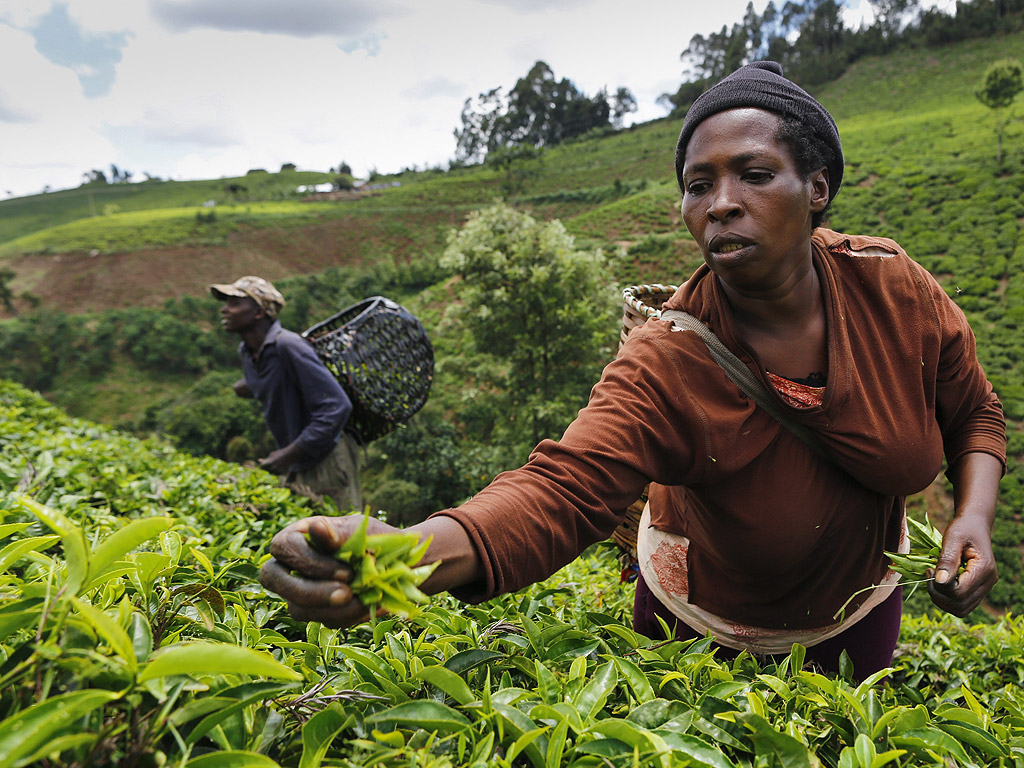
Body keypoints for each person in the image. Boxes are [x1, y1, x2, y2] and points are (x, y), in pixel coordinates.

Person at [258, 62, 1005, 679]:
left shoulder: (892, 288)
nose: (721, 205)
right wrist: (411, 553)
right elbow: (562, 489)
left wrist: (971, 517)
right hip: (700, 625)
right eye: (698, 184)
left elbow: (973, 411)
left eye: (753, 174)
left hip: (858, 615)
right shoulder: (668, 357)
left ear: (816, 188)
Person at [211, 275, 363, 510]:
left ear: (260, 312)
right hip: (299, 460)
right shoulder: (248, 352)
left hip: (326, 457)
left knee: (340, 536)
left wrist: (286, 456)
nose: (225, 309)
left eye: (234, 303)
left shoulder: (289, 345)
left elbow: (337, 407)